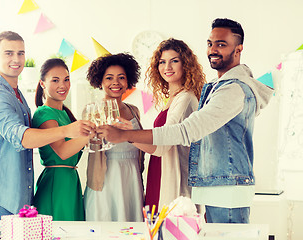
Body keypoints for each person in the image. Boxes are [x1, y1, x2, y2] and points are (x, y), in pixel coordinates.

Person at [98, 18, 274, 223]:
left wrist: (125, 135)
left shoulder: (232, 89)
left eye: (221, 44)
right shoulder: (217, 87)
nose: (213, 49)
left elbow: (185, 131)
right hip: (217, 185)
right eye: (210, 44)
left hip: (225, 186)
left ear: (238, 49)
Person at [0, 31, 95, 220]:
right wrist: (69, 130)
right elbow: (23, 138)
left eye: (21, 53)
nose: (16, 59)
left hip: (18, 200)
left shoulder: (17, 95)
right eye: (9, 53)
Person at [117, 38, 205, 213]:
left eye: (174, 61)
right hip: (159, 171)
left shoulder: (186, 98)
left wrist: (128, 135)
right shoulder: (173, 98)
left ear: (185, 64)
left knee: (170, 227)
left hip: (172, 176)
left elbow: (162, 145)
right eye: (162, 62)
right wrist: (130, 134)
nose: (167, 67)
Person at [84, 53, 144, 222]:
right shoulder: (93, 110)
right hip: (106, 178)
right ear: (100, 81)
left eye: (121, 77)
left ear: (128, 81)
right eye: (109, 78)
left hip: (132, 177)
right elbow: (88, 145)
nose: (115, 83)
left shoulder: (134, 110)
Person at [32, 58, 91, 221]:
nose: (62, 85)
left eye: (66, 80)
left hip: (70, 181)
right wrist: (92, 132)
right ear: (42, 84)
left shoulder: (66, 114)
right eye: (55, 80)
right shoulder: (44, 113)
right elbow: (63, 151)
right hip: (56, 184)